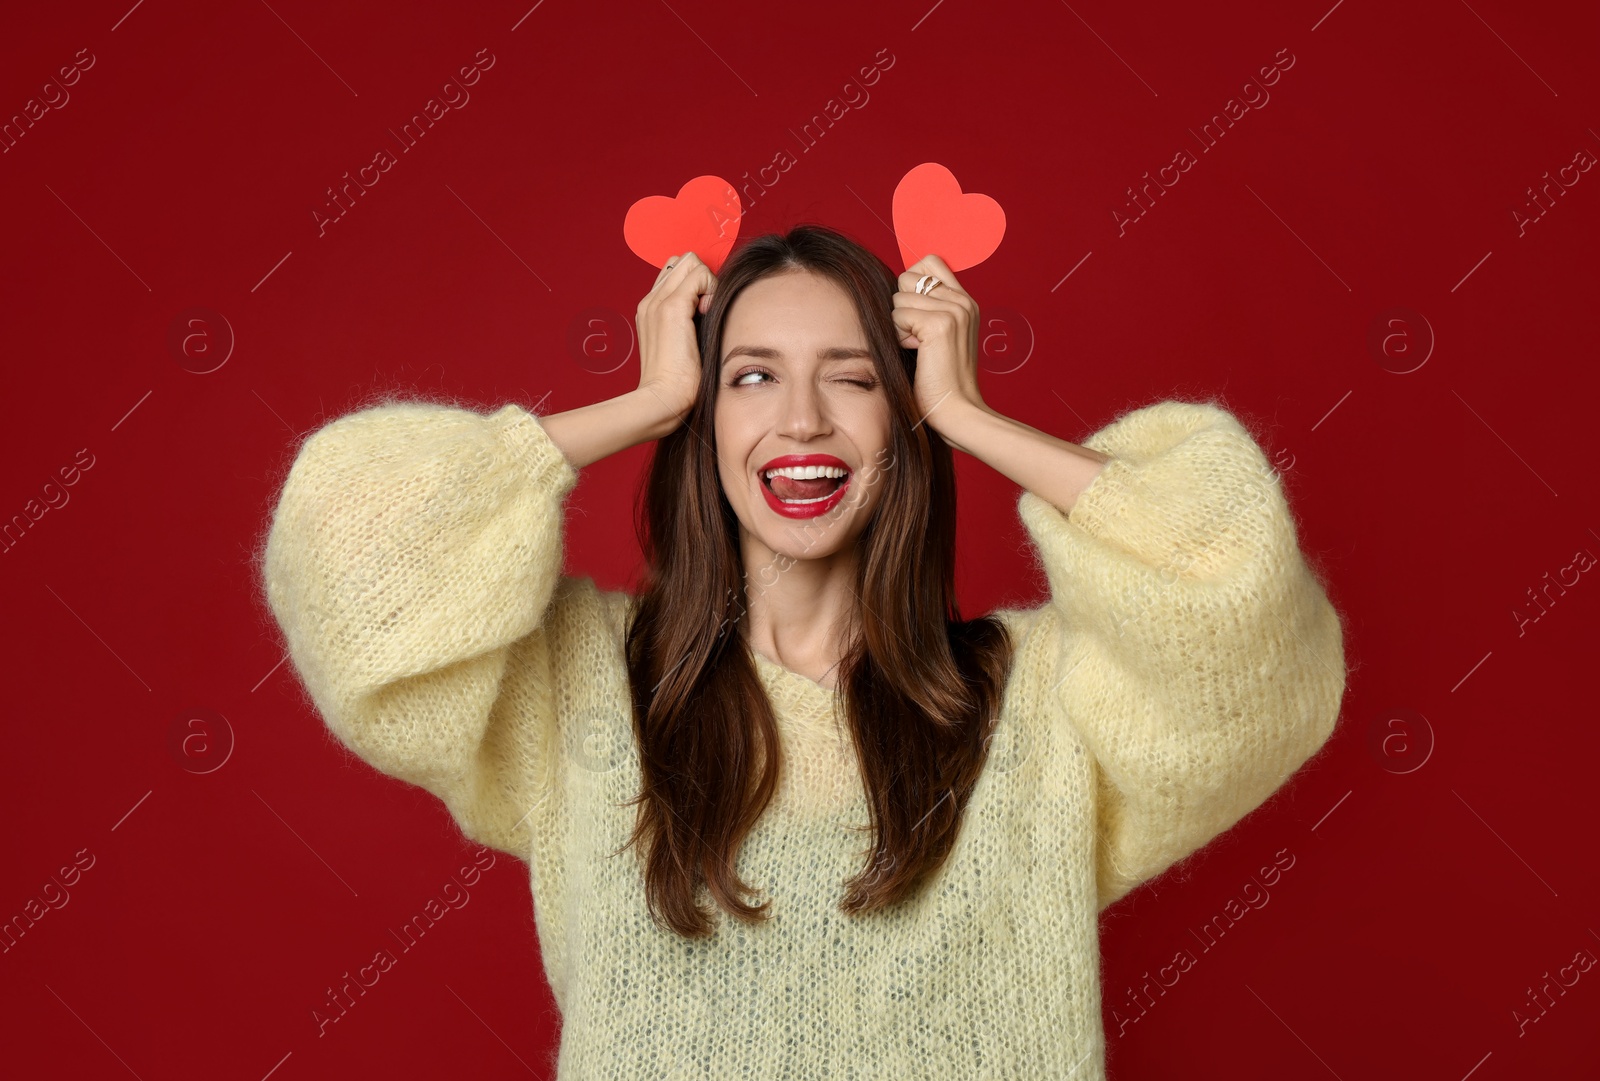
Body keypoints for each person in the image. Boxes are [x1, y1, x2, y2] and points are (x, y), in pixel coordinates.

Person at [256, 223, 1347, 1078]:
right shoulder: (579, 683)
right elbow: (354, 567)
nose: (804, 420)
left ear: (902, 415)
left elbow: (1232, 601)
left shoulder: (1043, 705)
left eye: (855, 378)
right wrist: (641, 403)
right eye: (750, 377)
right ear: (705, 420)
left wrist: (968, 416)